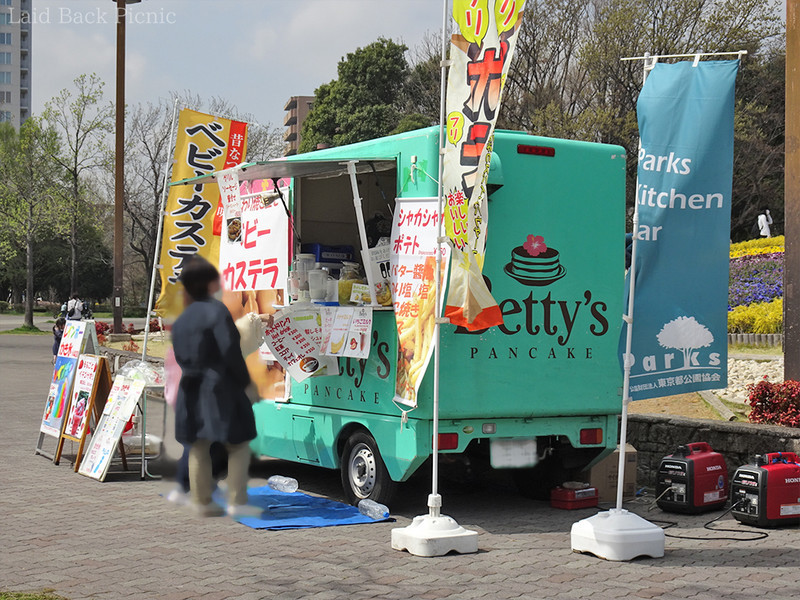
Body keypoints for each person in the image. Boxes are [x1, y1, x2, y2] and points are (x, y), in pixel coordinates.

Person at [171, 256, 257, 517]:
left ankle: (201, 502)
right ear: (210, 284)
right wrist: (245, 382)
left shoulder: (182, 318)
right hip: (220, 386)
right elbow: (230, 350)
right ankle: (236, 501)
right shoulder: (217, 311)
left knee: (198, 445)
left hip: (190, 386)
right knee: (239, 444)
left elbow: (178, 353)